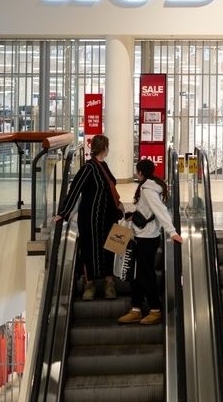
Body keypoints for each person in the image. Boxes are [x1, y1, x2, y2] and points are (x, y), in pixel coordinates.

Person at [54, 134, 123, 301]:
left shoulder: (103, 166)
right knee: (89, 249)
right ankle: (89, 284)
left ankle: (109, 284)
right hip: (90, 219)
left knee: (109, 248)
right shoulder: (88, 168)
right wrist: (63, 213)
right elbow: (75, 190)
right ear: (104, 148)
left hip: (106, 218)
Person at [117, 158, 183, 325]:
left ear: (140, 172)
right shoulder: (153, 186)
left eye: (136, 170)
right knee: (137, 275)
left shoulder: (148, 189)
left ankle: (155, 309)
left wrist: (172, 232)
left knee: (145, 275)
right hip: (144, 236)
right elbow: (149, 211)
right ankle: (136, 308)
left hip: (146, 239)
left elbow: (159, 210)